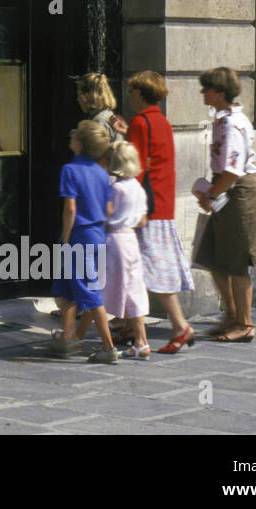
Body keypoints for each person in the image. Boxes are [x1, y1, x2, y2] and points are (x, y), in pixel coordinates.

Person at [125, 70, 196, 353]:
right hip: (162, 204)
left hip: (145, 207)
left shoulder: (140, 123)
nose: (129, 95)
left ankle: (180, 326)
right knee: (143, 267)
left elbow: (134, 167)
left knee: (151, 268)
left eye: (132, 91)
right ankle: (129, 325)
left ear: (141, 93)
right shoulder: (162, 122)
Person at [192, 67, 256, 343]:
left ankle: (245, 324)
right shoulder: (223, 119)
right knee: (216, 259)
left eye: (207, 88)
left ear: (220, 93)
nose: (202, 93)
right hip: (224, 191)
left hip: (236, 193)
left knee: (235, 263)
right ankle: (231, 315)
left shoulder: (232, 124)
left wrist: (210, 195)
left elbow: (232, 171)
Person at [48, 120, 121, 363]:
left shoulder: (70, 170)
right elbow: (109, 209)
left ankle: (108, 347)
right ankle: (66, 339)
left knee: (91, 294)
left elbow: (70, 208)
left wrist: (66, 238)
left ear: (79, 143)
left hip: (79, 235)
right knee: (69, 289)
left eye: (75, 135)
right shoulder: (101, 172)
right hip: (98, 234)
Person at [104, 141, 150, 358]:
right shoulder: (138, 189)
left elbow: (106, 214)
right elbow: (142, 220)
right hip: (131, 239)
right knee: (134, 291)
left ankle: (82, 334)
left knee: (103, 288)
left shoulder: (115, 189)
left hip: (115, 239)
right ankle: (141, 341)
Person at [76, 72, 124, 142]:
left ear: (88, 96)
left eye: (79, 94)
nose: (78, 99)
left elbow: (97, 151)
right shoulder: (108, 115)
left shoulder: (99, 122)